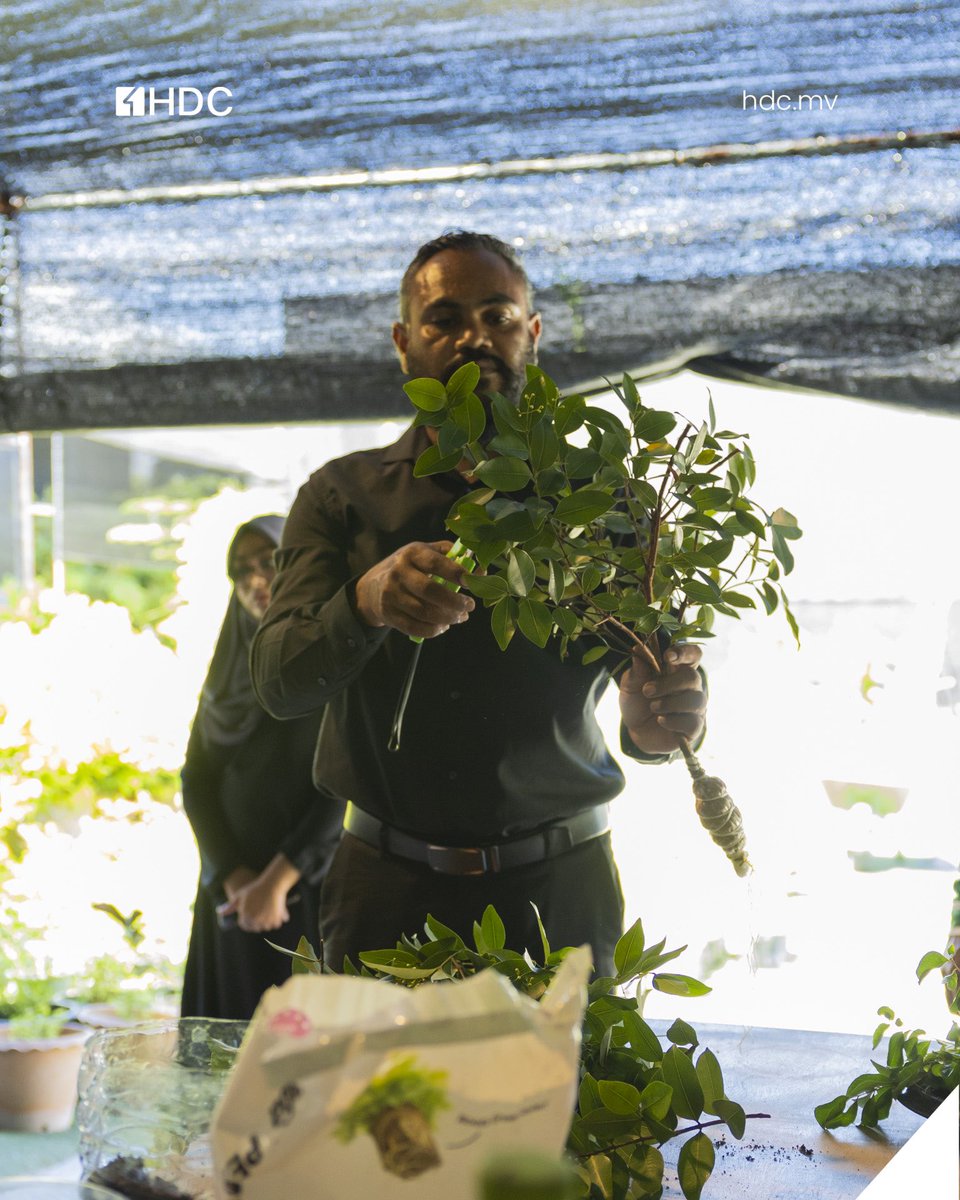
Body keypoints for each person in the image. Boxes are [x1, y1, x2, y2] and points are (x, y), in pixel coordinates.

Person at [250, 232, 706, 976]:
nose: (475, 336)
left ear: (532, 335)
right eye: (444, 317)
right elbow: (277, 680)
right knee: (381, 1095)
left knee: (557, 1095)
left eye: (498, 316)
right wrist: (364, 602)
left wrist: (663, 719)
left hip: (561, 891)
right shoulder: (342, 496)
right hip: (384, 893)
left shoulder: (611, 503)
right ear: (404, 344)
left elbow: (658, 680)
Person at [180, 515, 344, 1019]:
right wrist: (232, 875)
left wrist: (276, 881)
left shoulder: (333, 659)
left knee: (302, 1055)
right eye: (240, 570)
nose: (254, 580)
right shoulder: (230, 669)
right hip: (232, 895)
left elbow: (342, 783)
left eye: (268, 563)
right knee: (224, 1046)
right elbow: (197, 777)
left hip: (308, 889)